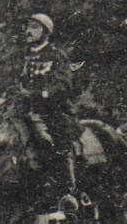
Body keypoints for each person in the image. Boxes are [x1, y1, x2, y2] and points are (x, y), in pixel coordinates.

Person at [12, 13, 79, 197]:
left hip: (53, 111)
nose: (28, 31)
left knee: (55, 140)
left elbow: (63, 86)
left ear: (46, 32)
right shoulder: (24, 57)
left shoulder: (56, 55)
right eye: (28, 27)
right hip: (26, 110)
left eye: (34, 27)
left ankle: (67, 189)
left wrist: (38, 95)